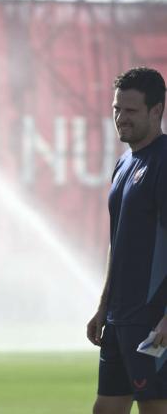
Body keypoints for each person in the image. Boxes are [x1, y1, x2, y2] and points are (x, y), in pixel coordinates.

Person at [86, 66, 167, 414]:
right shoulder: (123, 164)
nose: (121, 118)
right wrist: (103, 306)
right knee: (105, 408)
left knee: (154, 408)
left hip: (152, 321)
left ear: (157, 110)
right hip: (119, 318)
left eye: (131, 111)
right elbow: (116, 243)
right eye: (117, 109)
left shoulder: (164, 162)